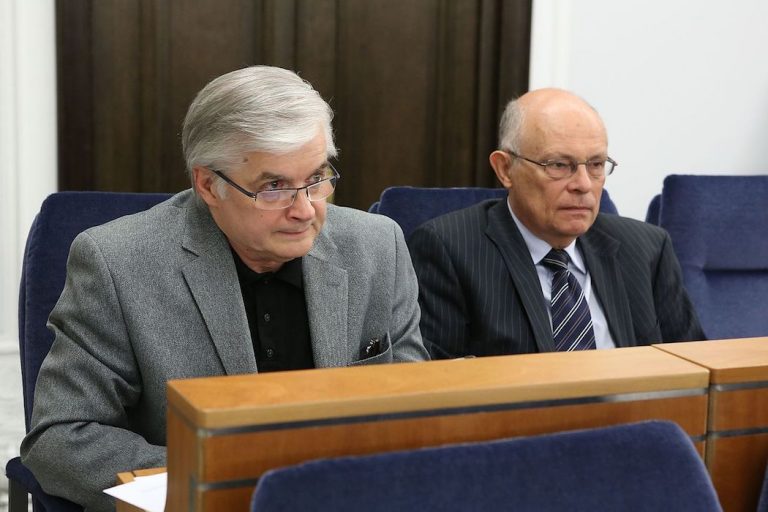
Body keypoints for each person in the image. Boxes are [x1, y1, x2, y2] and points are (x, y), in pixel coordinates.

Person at [21, 65, 429, 511]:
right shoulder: (117, 263)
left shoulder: (377, 246)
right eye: (274, 187)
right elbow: (61, 438)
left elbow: (417, 413)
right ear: (208, 185)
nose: (305, 210)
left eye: (317, 178)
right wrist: (227, 481)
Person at [409, 88, 705, 359]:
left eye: (596, 164)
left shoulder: (647, 249)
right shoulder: (449, 250)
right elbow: (439, 382)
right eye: (559, 165)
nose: (583, 184)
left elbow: (696, 368)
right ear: (505, 169)